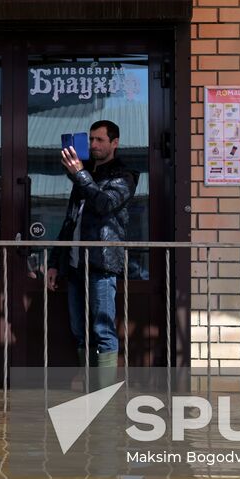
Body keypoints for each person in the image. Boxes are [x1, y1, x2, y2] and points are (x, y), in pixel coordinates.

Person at [46, 120, 137, 382]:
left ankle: (104, 392)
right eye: (92, 140)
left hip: (102, 264)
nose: (94, 145)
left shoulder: (125, 175)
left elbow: (104, 204)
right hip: (75, 266)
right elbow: (69, 221)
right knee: (79, 330)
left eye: (100, 140)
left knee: (103, 330)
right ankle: (89, 386)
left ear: (114, 143)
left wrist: (80, 174)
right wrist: (55, 262)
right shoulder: (85, 176)